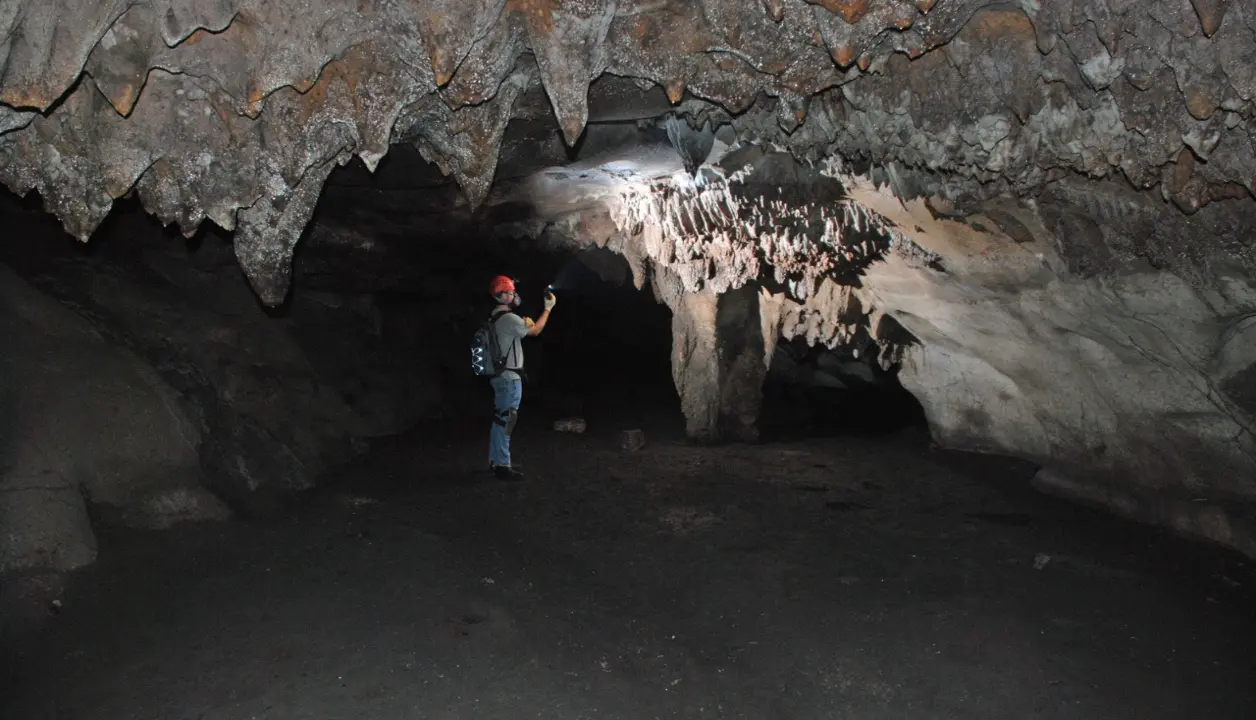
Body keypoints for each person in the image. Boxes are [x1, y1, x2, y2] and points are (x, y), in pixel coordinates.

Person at [486, 275, 556, 479]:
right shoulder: (509, 319)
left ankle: (495, 460)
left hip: (499, 376)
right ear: (503, 295)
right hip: (509, 378)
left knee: (500, 419)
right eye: (511, 292)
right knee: (507, 419)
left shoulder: (495, 317)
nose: (515, 295)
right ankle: (502, 465)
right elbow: (536, 330)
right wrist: (548, 308)